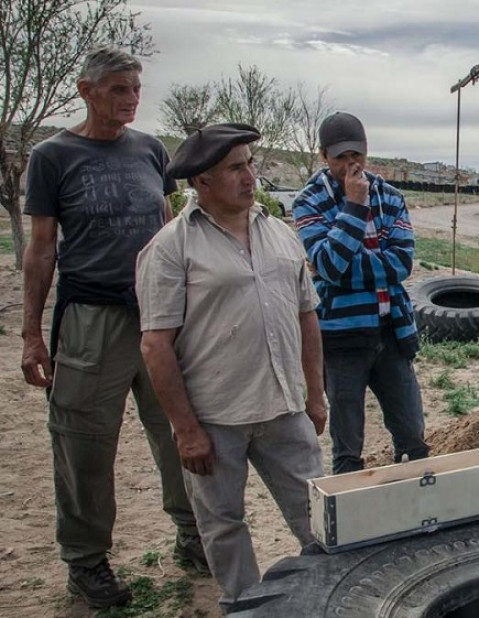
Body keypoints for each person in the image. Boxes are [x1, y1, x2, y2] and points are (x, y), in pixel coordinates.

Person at [19, 47, 205, 609]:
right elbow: (42, 249)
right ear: (86, 91)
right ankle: (87, 562)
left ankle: (194, 535)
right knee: (84, 445)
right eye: (118, 90)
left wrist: (189, 303)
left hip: (159, 317)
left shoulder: (150, 150)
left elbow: (171, 231)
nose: (129, 100)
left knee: (180, 430)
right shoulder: (52, 156)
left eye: (135, 90)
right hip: (91, 319)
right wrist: (31, 333)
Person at [137, 124, 326, 607]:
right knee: (223, 523)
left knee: (320, 516)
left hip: (285, 408)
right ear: (201, 181)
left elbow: (307, 317)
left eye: (251, 164)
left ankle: (331, 596)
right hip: (214, 418)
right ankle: (244, 606)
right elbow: (156, 346)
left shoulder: (279, 233)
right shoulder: (171, 247)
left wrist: (315, 393)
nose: (250, 177)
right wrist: (185, 429)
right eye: (236, 168)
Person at [292, 112, 428, 473]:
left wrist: (347, 263)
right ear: (323, 156)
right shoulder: (308, 201)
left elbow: (401, 263)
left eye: (358, 155)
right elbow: (330, 265)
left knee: (413, 435)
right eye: (340, 157)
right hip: (341, 338)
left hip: (393, 331)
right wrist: (353, 206)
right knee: (348, 446)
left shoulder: (390, 196)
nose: (351, 164)